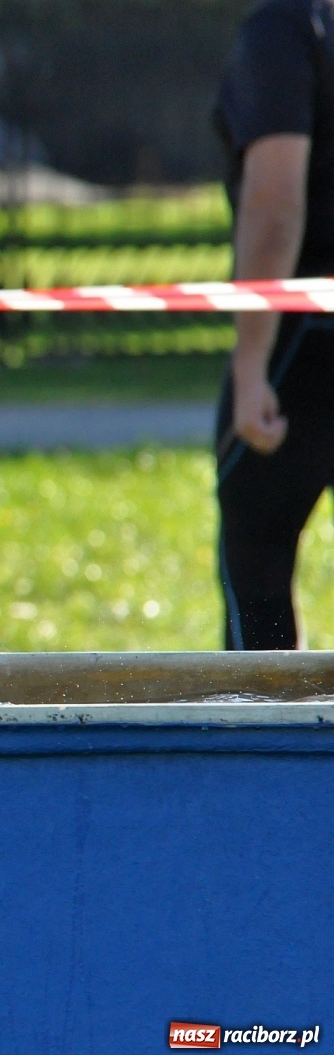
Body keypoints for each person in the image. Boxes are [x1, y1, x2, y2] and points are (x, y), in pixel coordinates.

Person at [213, 0, 334, 649]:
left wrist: (252, 363)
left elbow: (275, 202)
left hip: (307, 337)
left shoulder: (283, 31)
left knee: (256, 563)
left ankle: (263, 716)